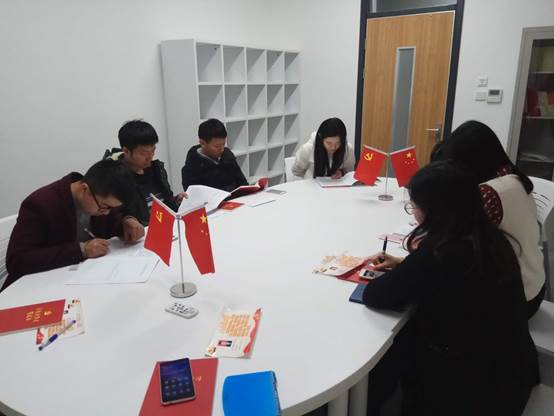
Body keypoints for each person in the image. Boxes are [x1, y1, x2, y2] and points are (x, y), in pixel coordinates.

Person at [363, 162, 538, 416]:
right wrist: (405, 264)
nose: (413, 213)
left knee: (391, 349)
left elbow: (377, 295)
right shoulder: (491, 239)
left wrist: (409, 268)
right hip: (513, 372)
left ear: (436, 210)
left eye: (415, 206)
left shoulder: (440, 253)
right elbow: (453, 279)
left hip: (473, 393)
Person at [436, 120, 545, 318]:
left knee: (433, 293)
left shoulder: (489, 192)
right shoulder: (514, 177)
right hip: (534, 285)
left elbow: (457, 245)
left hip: (515, 300)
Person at [5, 159, 144, 290]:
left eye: (112, 208)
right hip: (34, 288)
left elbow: (112, 221)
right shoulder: (40, 205)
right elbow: (17, 261)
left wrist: (126, 222)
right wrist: (81, 250)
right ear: (84, 189)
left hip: (82, 280)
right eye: (104, 207)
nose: (106, 213)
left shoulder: (98, 198)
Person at [104, 120, 186, 225]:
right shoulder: (114, 177)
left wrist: (176, 200)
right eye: (144, 153)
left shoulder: (157, 170)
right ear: (126, 151)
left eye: (153, 151)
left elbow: (164, 201)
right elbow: (114, 218)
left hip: (166, 225)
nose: (150, 157)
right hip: (143, 232)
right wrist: (127, 221)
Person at [181, 118, 248, 192]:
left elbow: (242, 183)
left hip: (235, 197)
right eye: (217, 146)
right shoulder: (192, 166)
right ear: (202, 143)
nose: (222, 149)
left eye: (223, 144)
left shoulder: (227, 155)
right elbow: (194, 195)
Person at [291, 117, 356, 179]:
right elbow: (296, 173)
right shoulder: (307, 149)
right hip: (312, 185)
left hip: (337, 185)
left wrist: (342, 172)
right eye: (329, 143)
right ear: (321, 138)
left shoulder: (348, 149)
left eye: (338, 143)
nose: (333, 147)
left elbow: (350, 172)